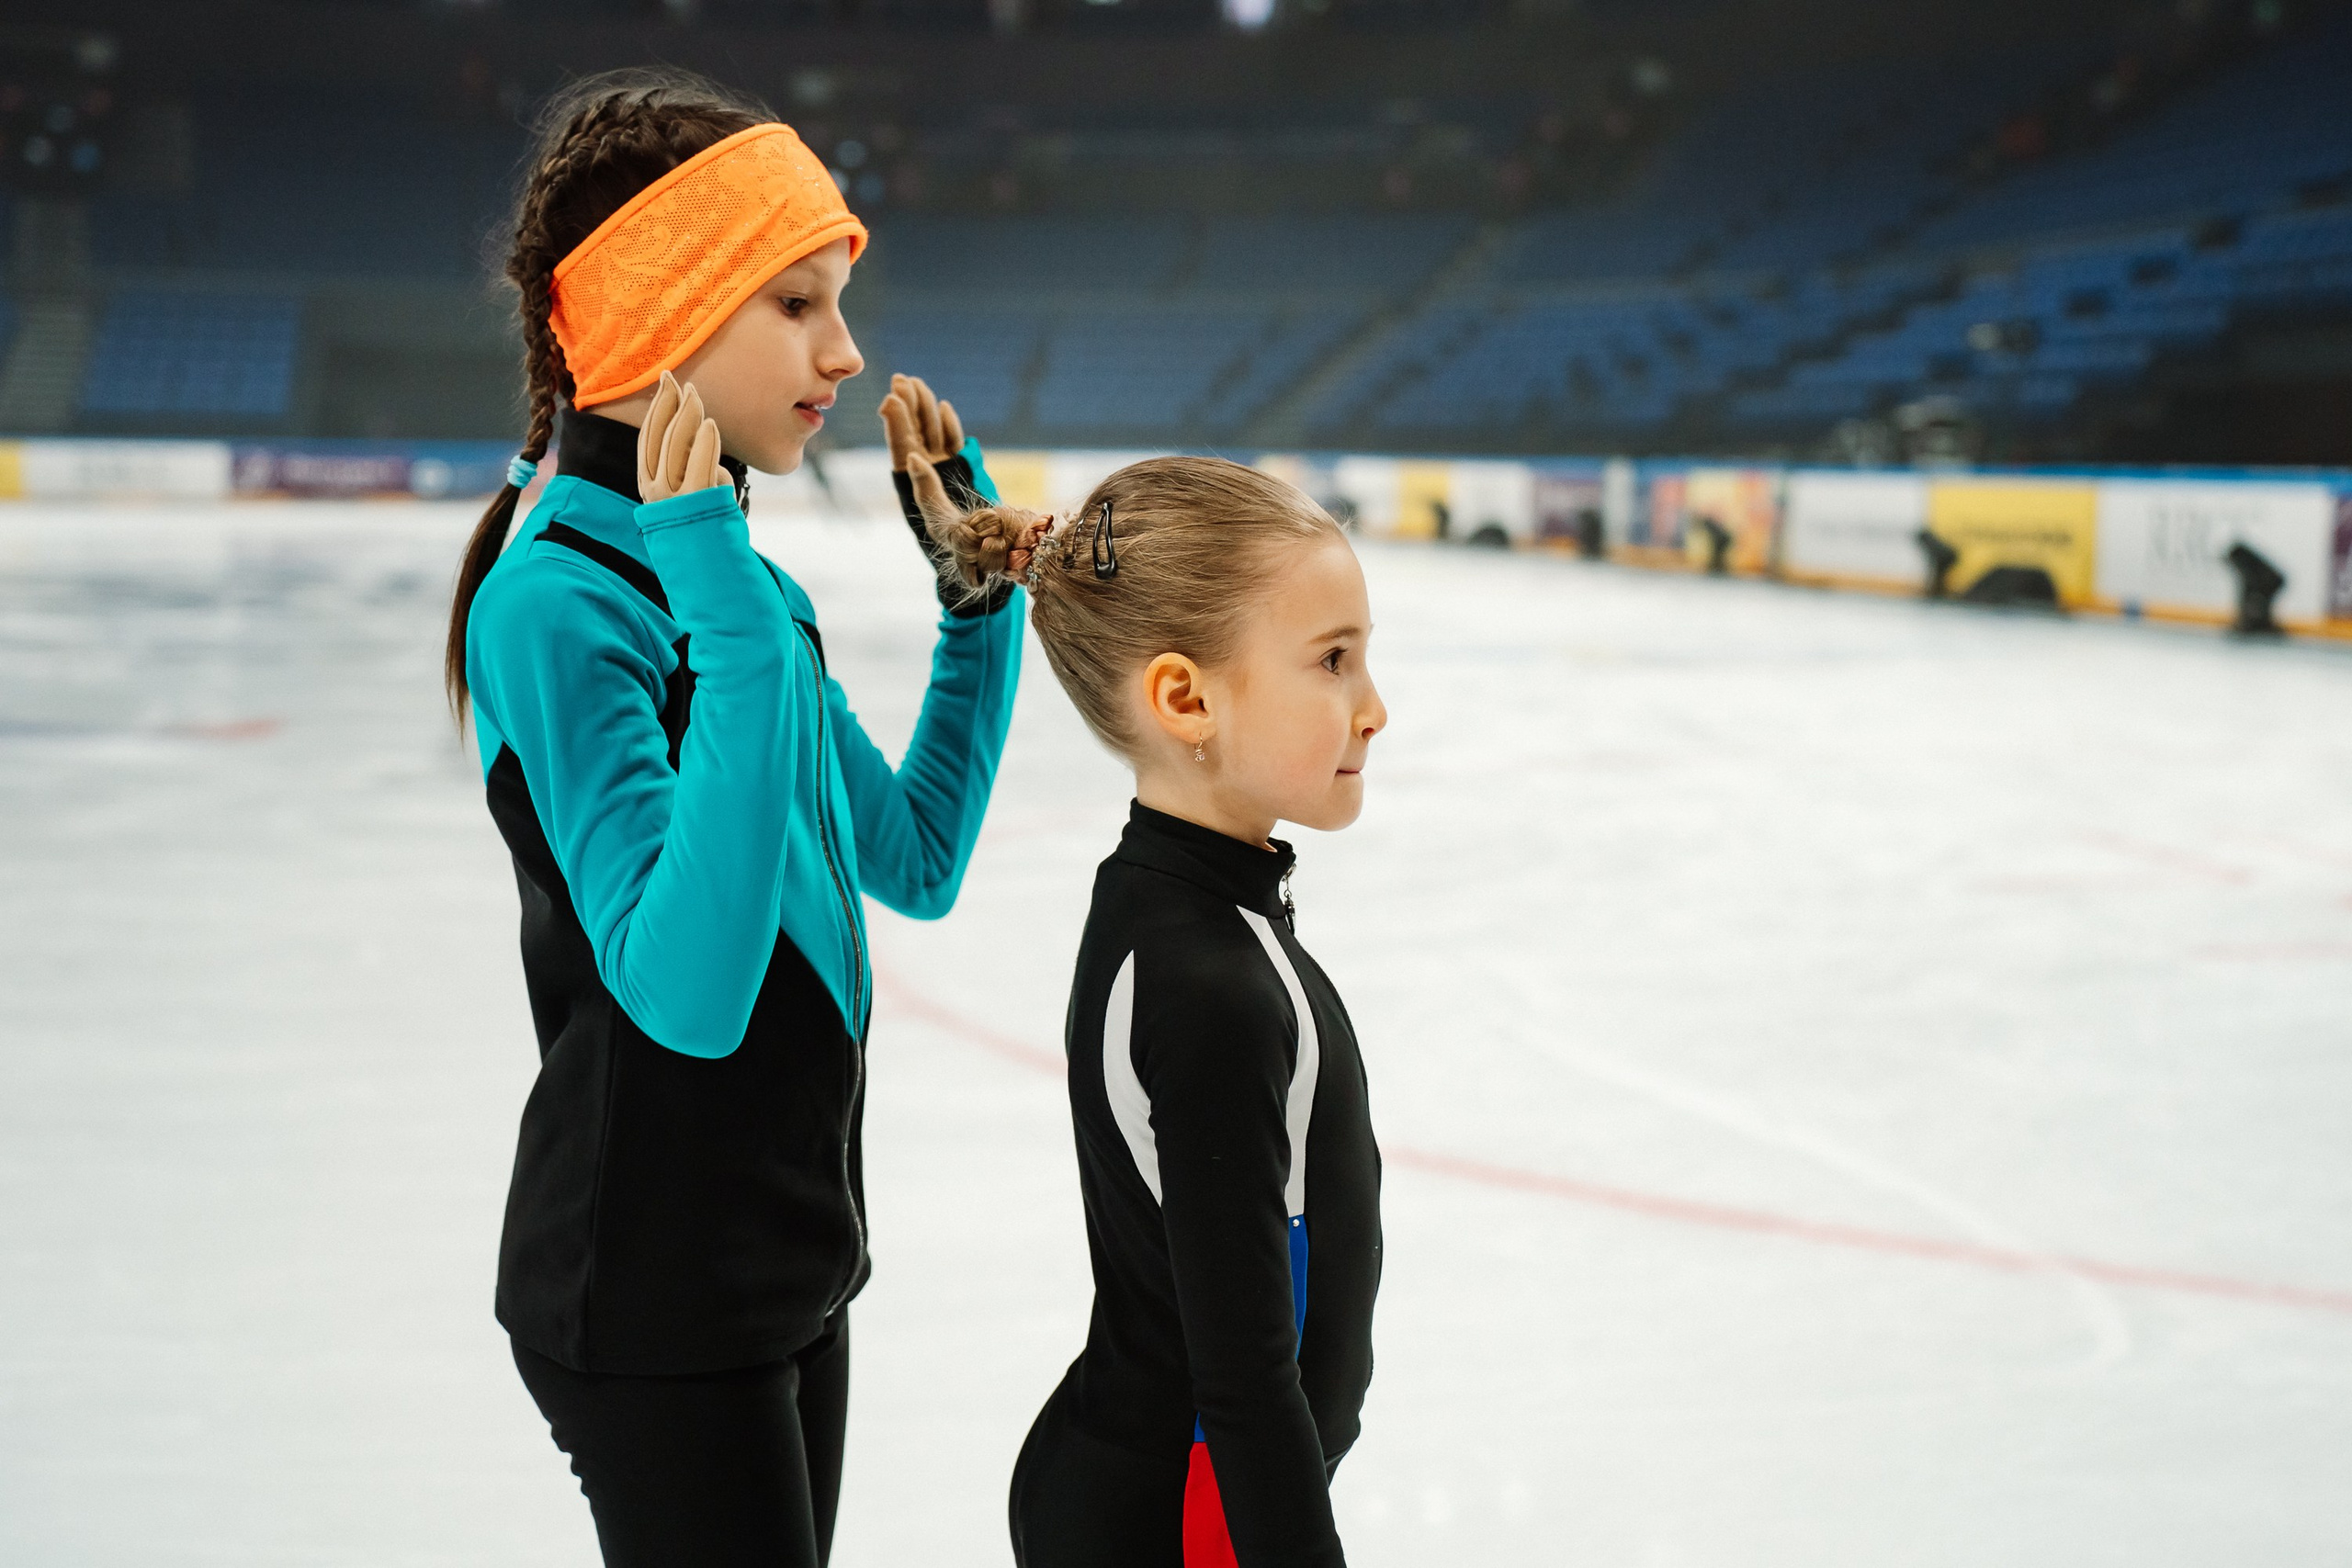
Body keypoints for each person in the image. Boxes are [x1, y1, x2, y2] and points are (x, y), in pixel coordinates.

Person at [442, 69, 1023, 1567]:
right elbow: (686, 996)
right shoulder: (558, 605)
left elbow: (914, 860)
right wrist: (723, 601)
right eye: (792, 304)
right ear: (657, 315)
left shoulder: (741, 585)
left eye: (835, 301)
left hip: (782, 1263)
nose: (844, 350)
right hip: (645, 1294)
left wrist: (974, 613)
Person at [901, 456, 1388, 1567]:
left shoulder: (1173, 899)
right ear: (1185, 697)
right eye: (1332, 662)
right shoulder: (1206, 979)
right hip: (1179, 1516)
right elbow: (1246, 1388)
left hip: (1167, 1487)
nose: (1373, 708)